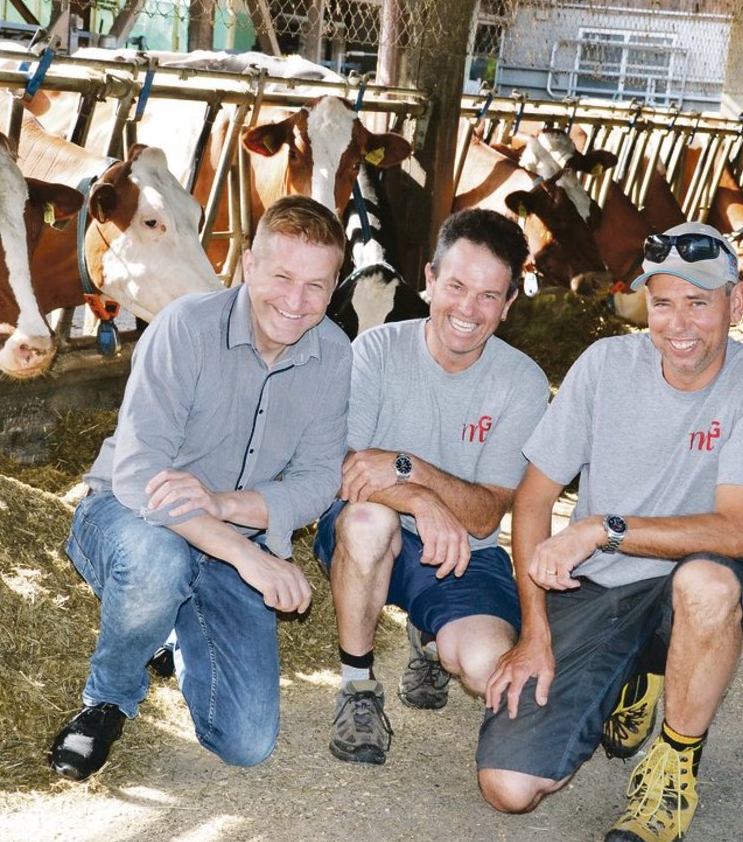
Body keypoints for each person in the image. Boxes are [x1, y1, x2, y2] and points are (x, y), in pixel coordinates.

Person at [476, 222, 743, 842]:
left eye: (699, 302)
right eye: (663, 302)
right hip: (598, 587)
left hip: (685, 584)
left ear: (736, 302)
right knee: (508, 788)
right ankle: (634, 675)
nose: (678, 324)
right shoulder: (603, 366)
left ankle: (673, 765)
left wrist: (603, 527)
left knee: (710, 584)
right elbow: (532, 500)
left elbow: (734, 530)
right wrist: (535, 632)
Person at [49, 195, 351, 779]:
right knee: (159, 561)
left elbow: (319, 476)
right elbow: (138, 475)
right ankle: (108, 699)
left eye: (315, 285)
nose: (295, 301)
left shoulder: (334, 355)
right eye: (282, 276)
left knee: (247, 741)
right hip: (129, 515)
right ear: (248, 264)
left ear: (334, 286)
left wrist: (224, 506)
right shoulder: (185, 326)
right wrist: (249, 556)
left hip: (226, 530)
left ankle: (175, 624)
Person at [314, 208, 550, 764]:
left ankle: (429, 636)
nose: (468, 310)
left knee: (487, 666)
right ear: (429, 280)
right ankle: (357, 687)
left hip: (465, 550)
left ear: (509, 304)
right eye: (457, 287)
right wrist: (419, 499)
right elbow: (342, 468)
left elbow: (486, 514)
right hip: (370, 531)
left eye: (489, 296)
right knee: (369, 521)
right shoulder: (375, 350)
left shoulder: (523, 382)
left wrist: (410, 467)